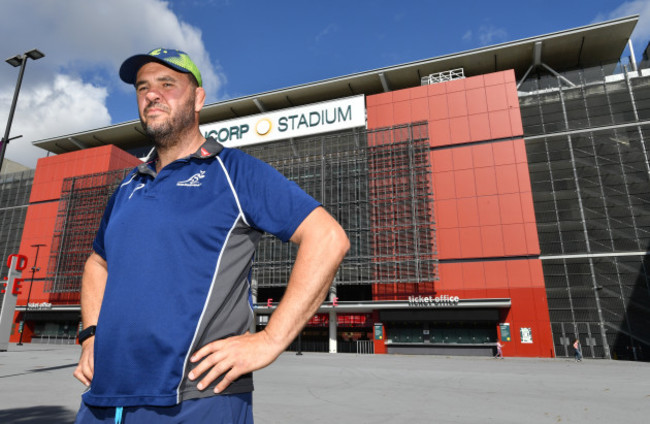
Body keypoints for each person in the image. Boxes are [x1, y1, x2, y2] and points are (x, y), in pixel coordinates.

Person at [72, 48, 350, 423]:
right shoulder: (127, 187)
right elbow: (98, 263)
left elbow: (327, 237)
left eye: (167, 84)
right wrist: (91, 334)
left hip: (196, 399)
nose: (151, 95)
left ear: (198, 97)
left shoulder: (235, 172)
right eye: (143, 87)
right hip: (102, 398)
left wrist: (270, 340)